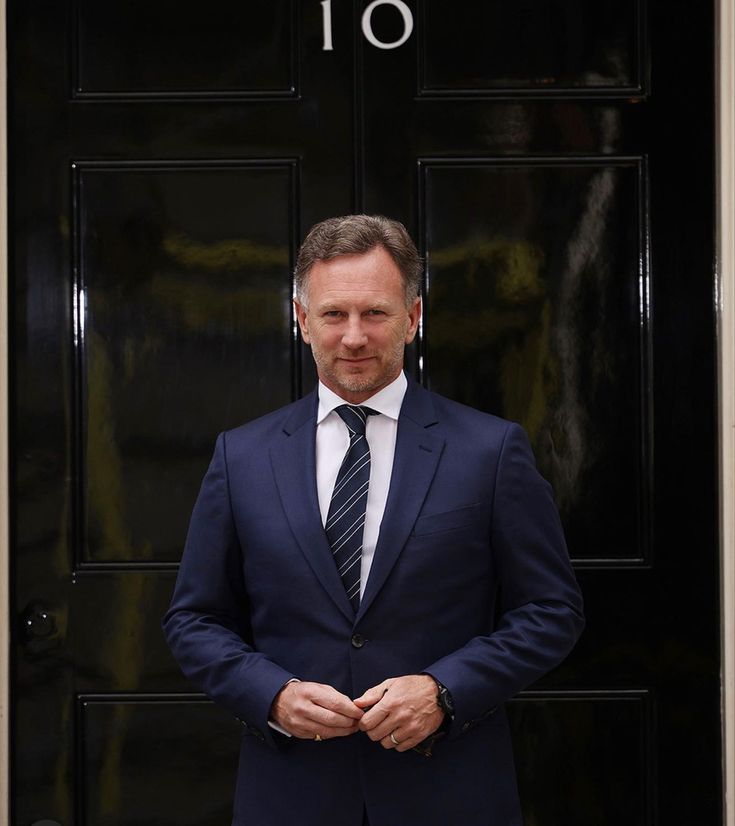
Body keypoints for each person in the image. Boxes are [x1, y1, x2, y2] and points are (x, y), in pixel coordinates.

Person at [163, 214, 584, 826]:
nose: (354, 337)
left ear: (413, 318)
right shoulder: (242, 456)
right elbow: (193, 620)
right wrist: (272, 696)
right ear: (302, 321)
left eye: (376, 314)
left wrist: (445, 692)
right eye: (334, 314)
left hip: (448, 792)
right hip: (291, 794)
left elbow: (552, 611)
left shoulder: (490, 452)